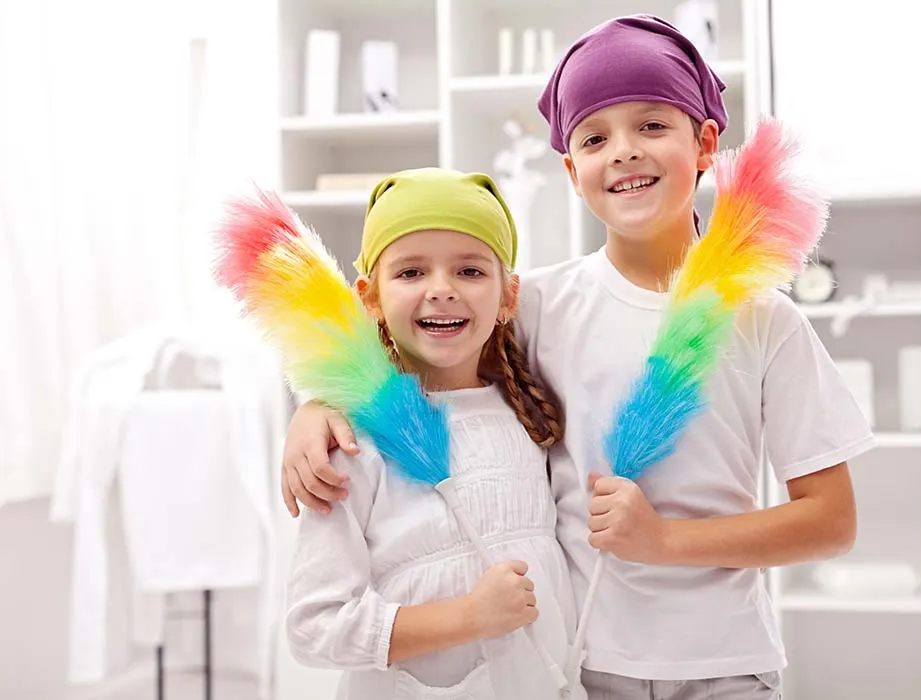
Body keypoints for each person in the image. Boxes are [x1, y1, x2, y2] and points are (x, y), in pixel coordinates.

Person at [281, 15, 876, 699]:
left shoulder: (766, 320)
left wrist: (665, 542)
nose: (623, 152)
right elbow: (423, 351)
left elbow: (831, 521)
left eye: (652, 125)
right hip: (582, 666)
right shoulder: (536, 304)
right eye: (595, 138)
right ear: (571, 169)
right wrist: (318, 404)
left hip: (726, 665)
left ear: (706, 143)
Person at [284, 167, 584, 699]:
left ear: (508, 296)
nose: (441, 290)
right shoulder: (350, 442)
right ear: (370, 297)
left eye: (469, 271)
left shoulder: (529, 416)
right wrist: (468, 617)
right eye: (411, 272)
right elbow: (315, 626)